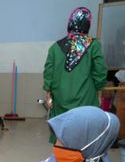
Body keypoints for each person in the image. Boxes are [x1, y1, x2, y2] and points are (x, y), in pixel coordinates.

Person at [44, 7, 107, 142]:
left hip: (61, 99)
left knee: (62, 131)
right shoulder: (94, 45)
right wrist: (99, 92)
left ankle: (64, 159)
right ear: (88, 24)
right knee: (85, 134)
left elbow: (48, 73)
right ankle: (82, 160)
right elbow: (100, 71)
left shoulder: (55, 47)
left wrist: (49, 95)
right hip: (86, 98)